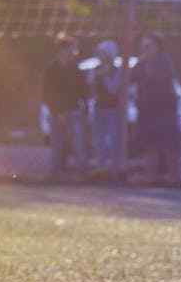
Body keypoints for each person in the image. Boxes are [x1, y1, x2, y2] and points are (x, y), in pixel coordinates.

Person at [134, 33, 181, 185]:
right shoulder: (141, 63)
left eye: (148, 46)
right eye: (143, 46)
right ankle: (151, 177)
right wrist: (140, 63)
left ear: (157, 47)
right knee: (149, 144)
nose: (145, 49)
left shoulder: (164, 61)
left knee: (169, 144)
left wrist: (146, 65)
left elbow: (158, 79)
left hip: (164, 109)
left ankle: (173, 177)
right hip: (147, 109)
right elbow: (132, 77)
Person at [43, 35, 88, 180]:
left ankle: (82, 173)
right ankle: (56, 172)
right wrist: (57, 112)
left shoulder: (75, 69)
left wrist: (84, 105)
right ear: (62, 50)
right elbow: (47, 93)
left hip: (74, 111)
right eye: (70, 49)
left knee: (78, 143)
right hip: (57, 113)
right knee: (57, 143)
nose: (73, 53)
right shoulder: (51, 69)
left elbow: (83, 90)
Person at [92, 40, 123, 178]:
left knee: (113, 138)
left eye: (103, 53)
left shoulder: (116, 70)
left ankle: (115, 168)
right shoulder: (96, 68)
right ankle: (101, 167)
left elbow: (113, 89)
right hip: (99, 107)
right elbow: (91, 86)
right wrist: (97, 75)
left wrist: (105, 75)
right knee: (99, 139)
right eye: (99, 53)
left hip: (112, 109)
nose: (100, 56)